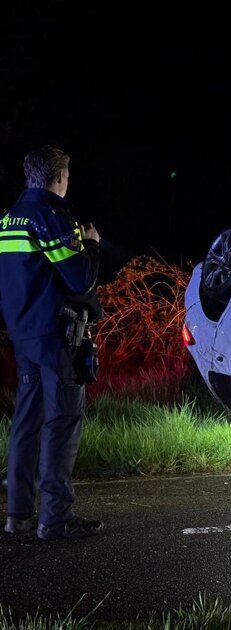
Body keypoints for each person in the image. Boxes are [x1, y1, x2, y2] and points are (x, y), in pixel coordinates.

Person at [0, 145, 104, 540]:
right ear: (59, 178)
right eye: (67, 177)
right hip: (57, 338)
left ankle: (18, 516)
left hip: (23, 335)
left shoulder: (8, 220)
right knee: (62, 422)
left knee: (27, 422)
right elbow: (80, 279)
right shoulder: (52, 219)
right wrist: (91, 243)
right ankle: (55, 519)